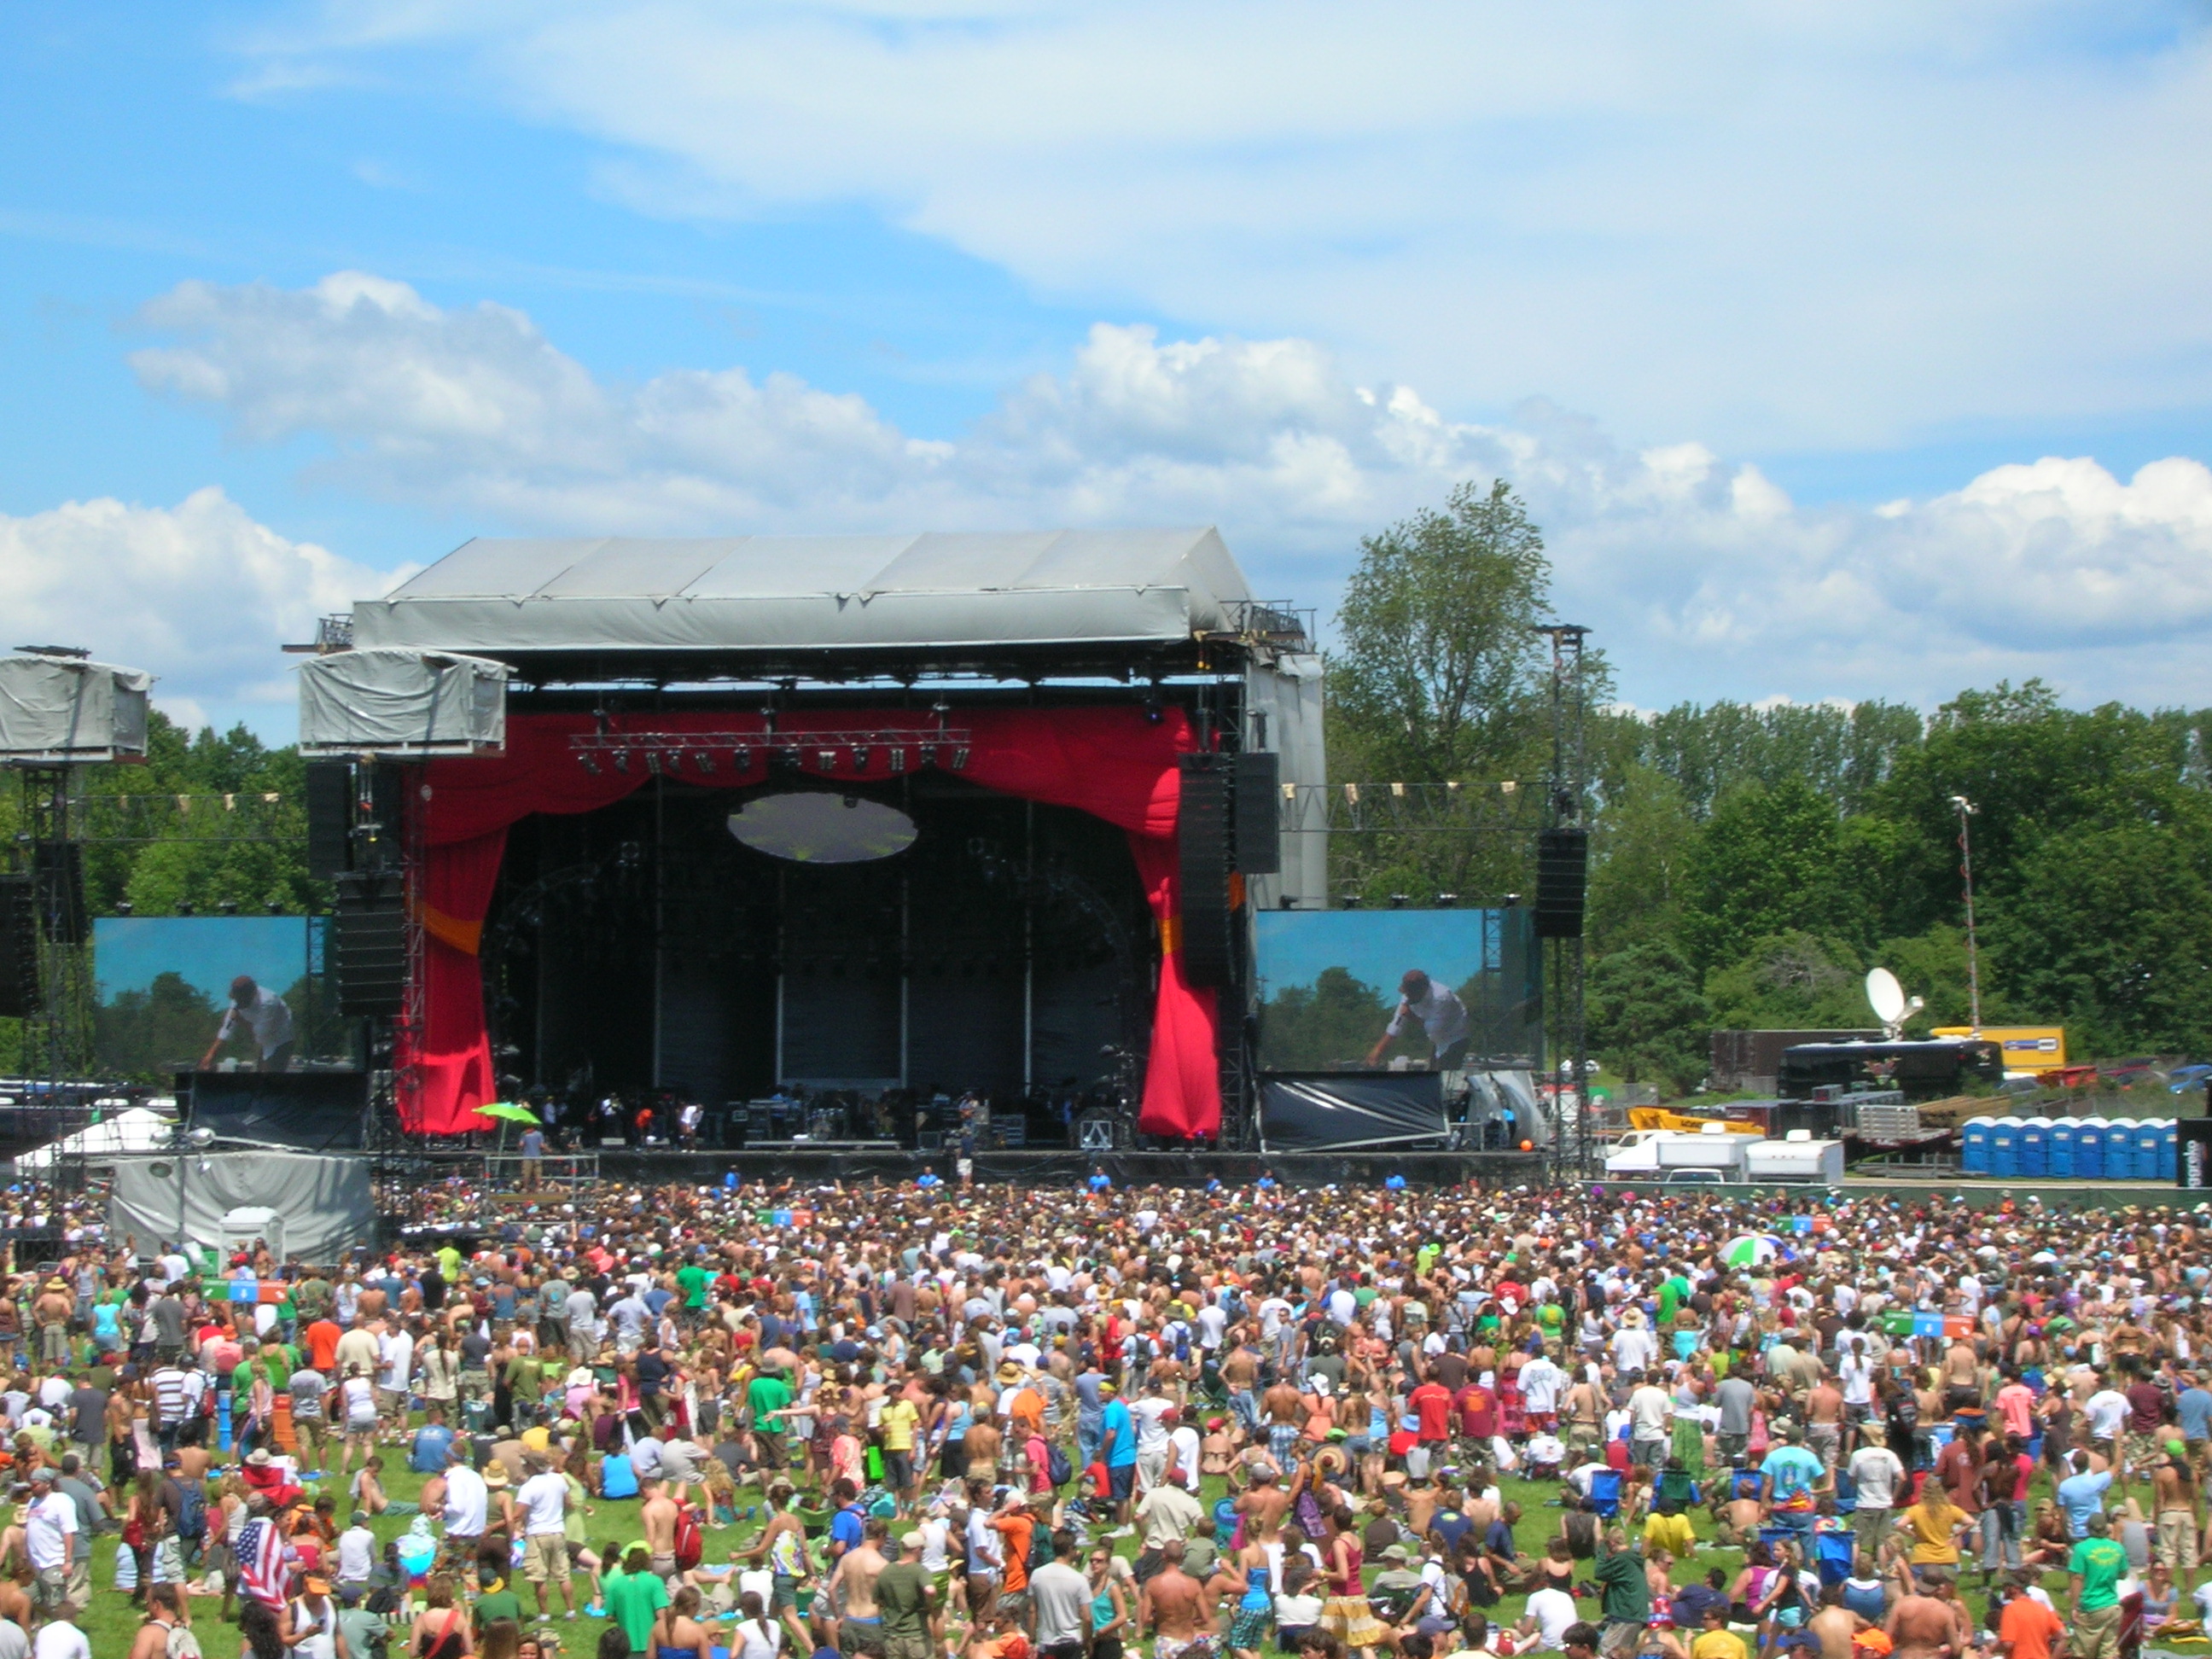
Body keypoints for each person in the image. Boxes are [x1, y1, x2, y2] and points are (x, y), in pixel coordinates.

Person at [1365, 971, 1470, 1069]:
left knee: (1443, 1075)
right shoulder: (1408, 995)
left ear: (1421, 990)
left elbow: (1435, 1030)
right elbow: (1397, 1023)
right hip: (1438, 1041)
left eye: (1410, 994)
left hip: (1456, 1038)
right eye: (1406, 993)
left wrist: (1411, 1016)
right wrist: (1378, 1050)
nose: (1407, 996)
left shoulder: (1442, 997)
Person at [199, 975, 294, 1073]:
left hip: (280, 1038)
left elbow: (261, 1036)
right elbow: (227, 1029)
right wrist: (210, 1055)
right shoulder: (236, 999)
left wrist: (241, 1020)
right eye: (236, 999)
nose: (238, 1003)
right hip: (263, 1039)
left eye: (241, 1000)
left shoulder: (268, 1002)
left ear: (252, 994)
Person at [2069, 1512, 2132, 1659]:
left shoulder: (2081, 1549)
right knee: (2108, 1651)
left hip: (2090, 1606)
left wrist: (2074, 1606)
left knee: (2082, 1652)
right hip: (2112, 1605)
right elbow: (2123, 1574)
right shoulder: (2117, 1548)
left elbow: (2077, 1578)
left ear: (2088, 1529)